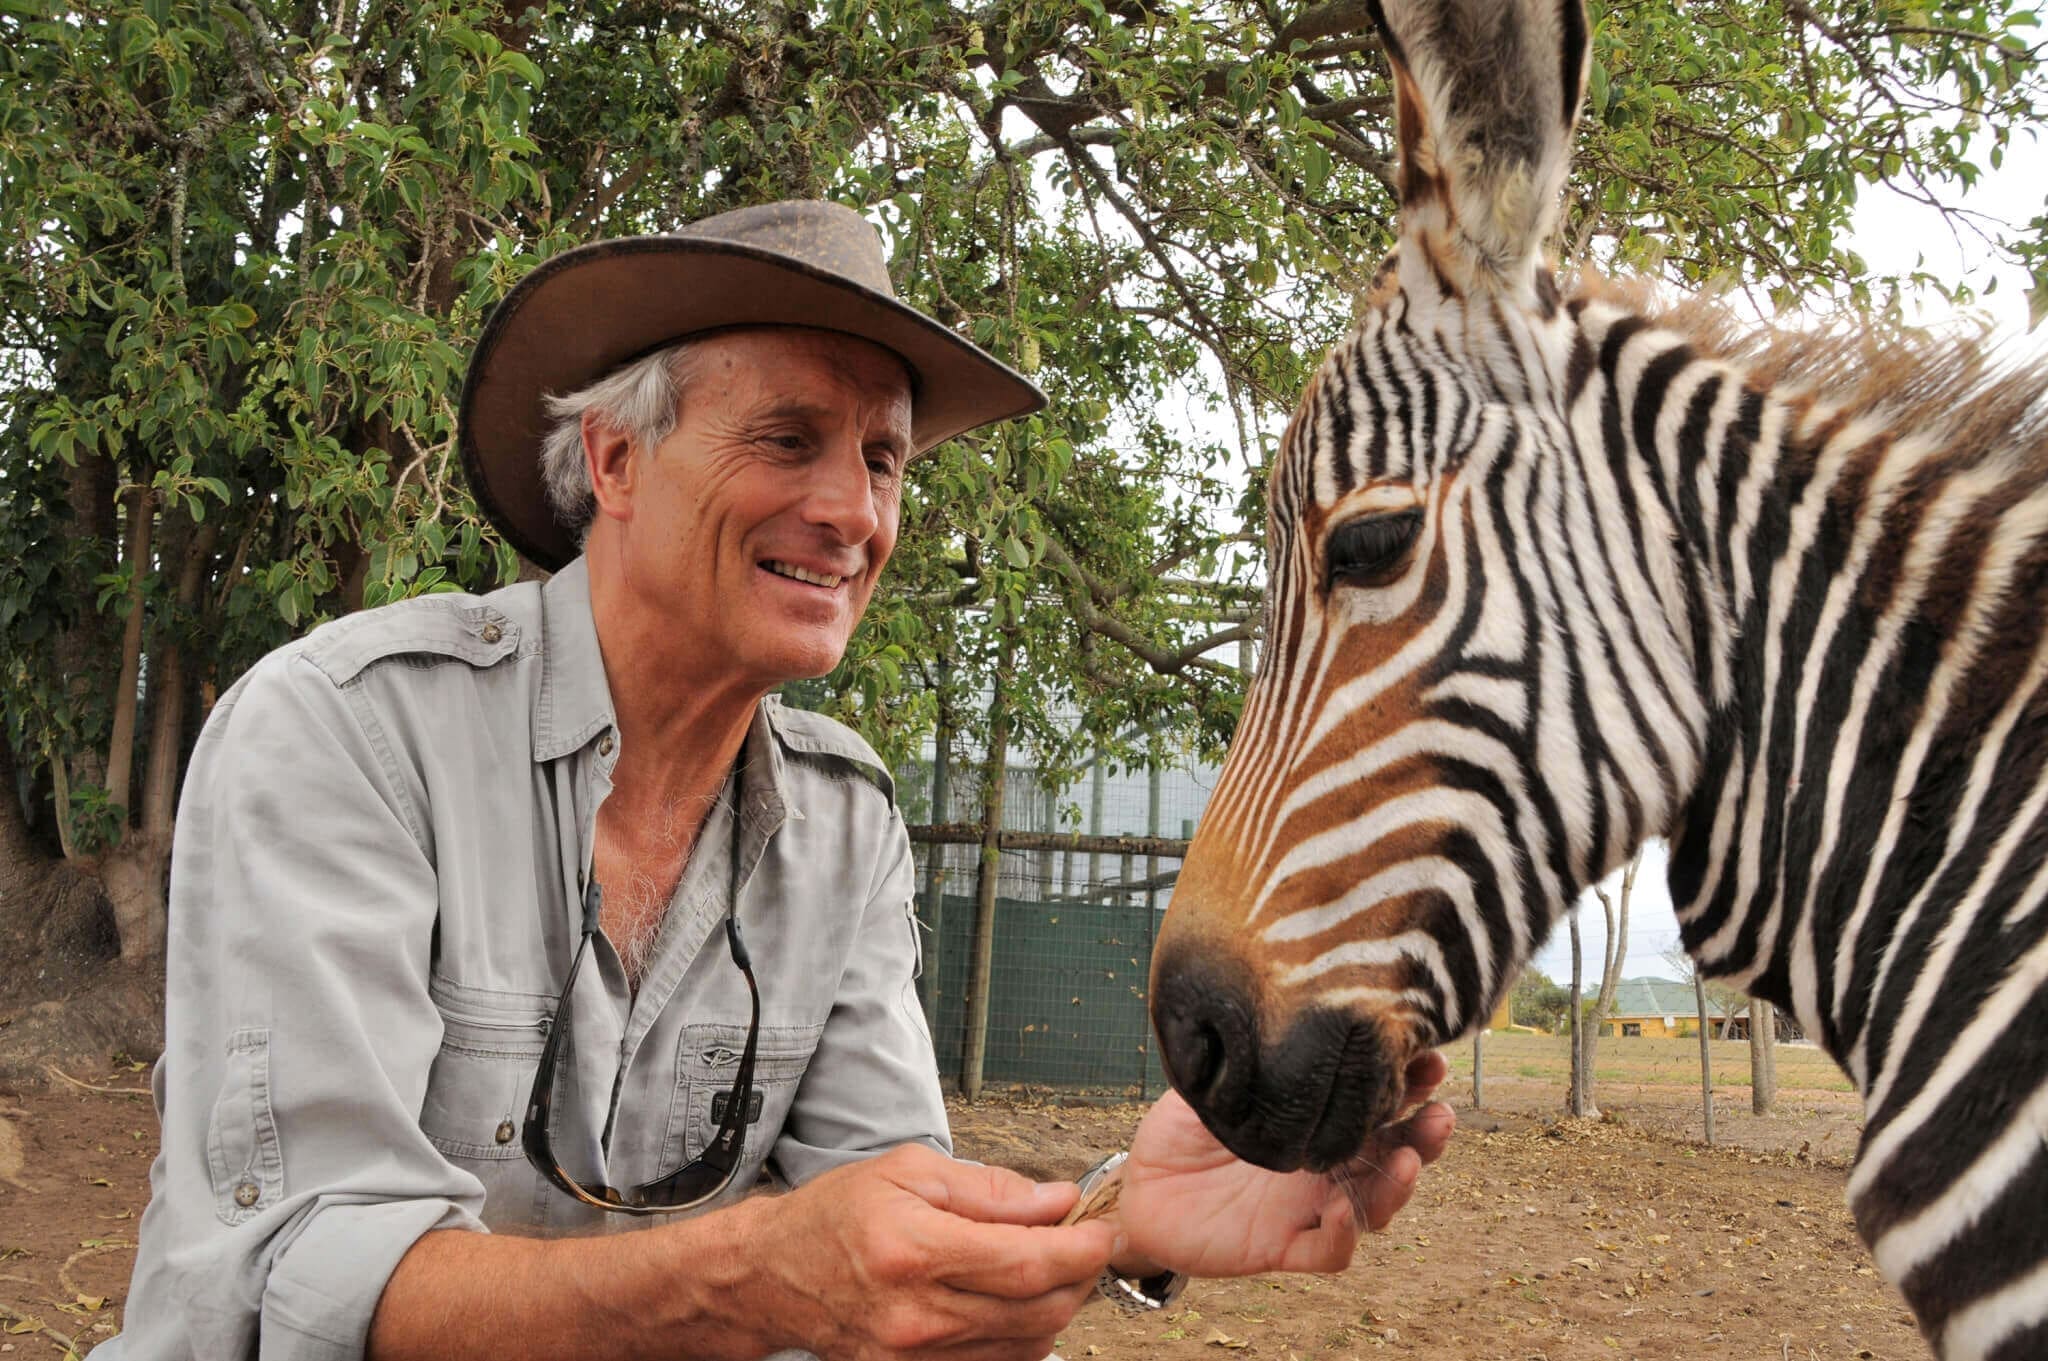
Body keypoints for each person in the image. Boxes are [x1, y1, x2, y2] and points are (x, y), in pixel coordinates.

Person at [106, 201, 1455, 1361]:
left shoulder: (844, 819)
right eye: (789, 438)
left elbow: (884, 1262)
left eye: (883, 459)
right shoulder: (346, 735)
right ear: (615, 459)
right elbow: (303, 1276)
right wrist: (747, 1273)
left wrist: (1112, 1216)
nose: (856, 514)